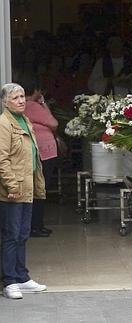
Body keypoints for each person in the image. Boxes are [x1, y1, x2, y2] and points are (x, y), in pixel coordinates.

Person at [0, 83, 47, 299]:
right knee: (11, 235)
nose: (20, 101)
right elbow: (3, 158)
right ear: (5, 102)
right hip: (13, 190)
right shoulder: (4, 123)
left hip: (27, 186)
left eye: (22, 96)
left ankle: (22, 276)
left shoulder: (24, 120)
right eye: (15, 98)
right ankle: (9, 280)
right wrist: (10, 185)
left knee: (22, 234)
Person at [22, 81, 58, 238]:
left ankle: (35, 225)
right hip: (44, 152)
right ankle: (36, 226)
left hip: (36, 151)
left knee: (36, 189)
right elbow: (54, 123)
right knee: (40, 189)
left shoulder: (24, 105)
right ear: (35, 90)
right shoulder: (33, 106)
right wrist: (43, 103)